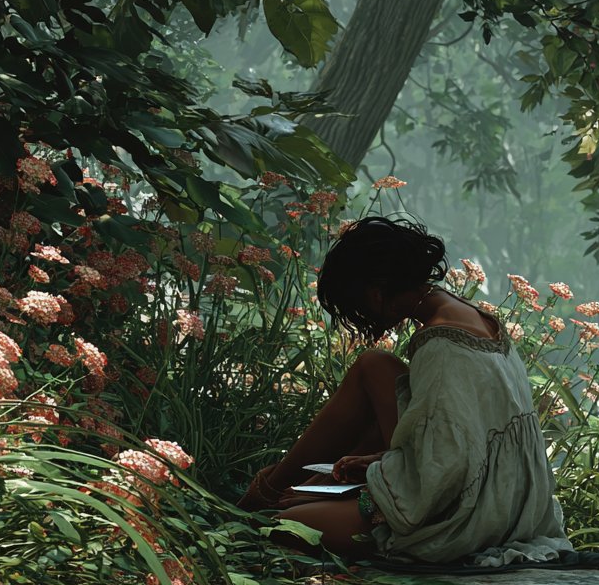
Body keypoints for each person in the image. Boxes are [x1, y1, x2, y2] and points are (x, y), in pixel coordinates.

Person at [238, 216, 573, 565]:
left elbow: (444, 473)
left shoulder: (440, 343)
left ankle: (271, 494)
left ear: (376, 292)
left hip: (473, 517)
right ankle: (276, 488)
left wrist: (370, 495)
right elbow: (459, 437)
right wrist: (378, 463)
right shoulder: (466, 314)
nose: (360, 318)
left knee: (284, 528)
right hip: (505, 496)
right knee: (374, 364)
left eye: (357, 306)